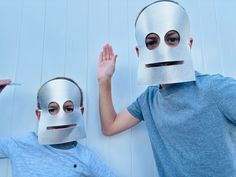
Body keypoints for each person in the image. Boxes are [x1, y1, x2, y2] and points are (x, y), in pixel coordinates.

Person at [97, 1, 236, 177]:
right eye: (152, 42)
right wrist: (104, 80)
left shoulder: (215, 89)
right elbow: (110, 127)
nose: (162, 50)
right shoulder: (148, 100)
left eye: (172, 39)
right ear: (140, 53)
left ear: (188, 44)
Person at [0, 77, 116, 177]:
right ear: (39, 114)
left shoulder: (86, 157)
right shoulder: (19, 145)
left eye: (69, 108)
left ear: (80, 112)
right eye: (52, 109)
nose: (60, 117)